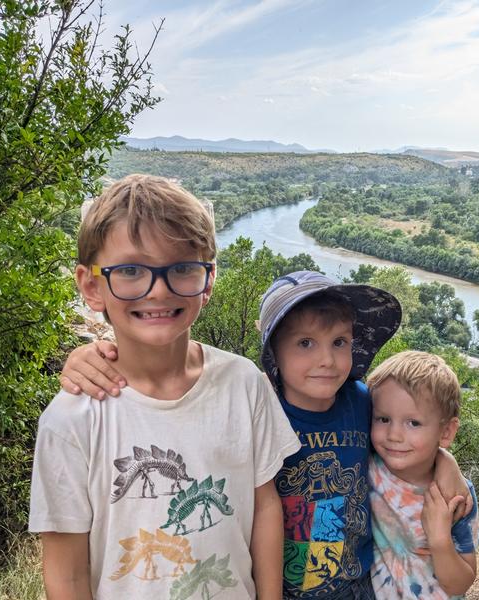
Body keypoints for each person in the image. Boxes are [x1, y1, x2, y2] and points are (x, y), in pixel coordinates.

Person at [60, 270, 472, 599]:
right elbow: (188, 375)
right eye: (305, 343)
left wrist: (445, 463)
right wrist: (90, 353)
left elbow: (408, 431)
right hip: (277, 584)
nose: (326, 360)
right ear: (274, 352)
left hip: (354, 583)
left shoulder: (362, 403)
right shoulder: (254, 401)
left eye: (340, 342)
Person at [29, 174, 301, 599]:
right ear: (90, 286)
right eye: (132, 270)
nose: (157, 290)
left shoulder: (245, 383)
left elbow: (264, 506)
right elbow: (66, 574)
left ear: (207, 280)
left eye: (182, 268)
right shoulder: (70, 420)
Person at [366, 351, 479, 598]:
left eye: (413, 423)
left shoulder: (456, 497)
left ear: (447, 431)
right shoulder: (367, 468)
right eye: (383, 419)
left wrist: (440, 540)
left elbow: (461, 584)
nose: (394, 434)